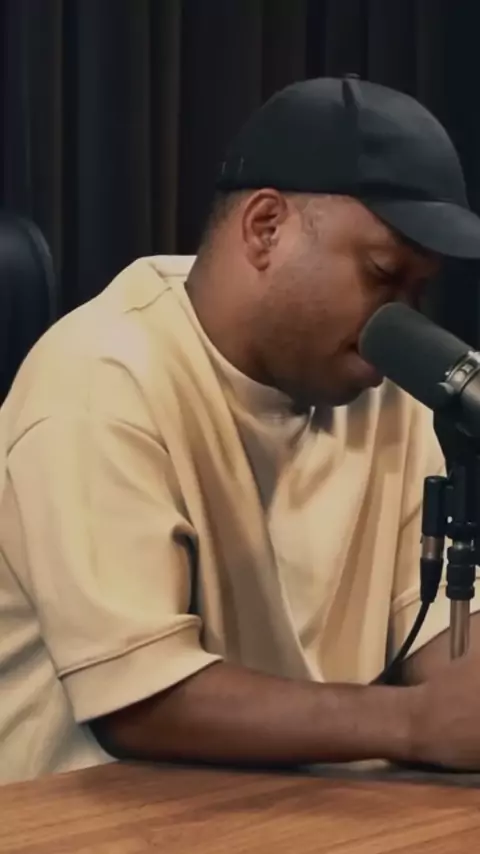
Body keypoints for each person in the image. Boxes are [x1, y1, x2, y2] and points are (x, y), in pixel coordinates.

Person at [2, 76, 480, 785]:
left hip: (313, 813)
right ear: (265, 228)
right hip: (96, 818)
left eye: (419, 291)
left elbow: (446, 642)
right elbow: (140, 703)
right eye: (383, 275)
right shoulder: (101, 377)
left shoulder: (379, 387)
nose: (400, 323)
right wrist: (414, 724)